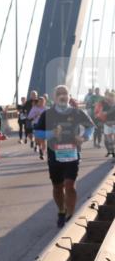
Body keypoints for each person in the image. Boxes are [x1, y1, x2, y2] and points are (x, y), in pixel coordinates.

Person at [33, 85, 96, 228]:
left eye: (65, 93)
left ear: (69, 96)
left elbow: (90, 126)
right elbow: (37, 133)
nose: (62, 96)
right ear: (55, 97)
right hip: (54, 155)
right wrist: (51, 134)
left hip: (72, 154)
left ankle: (70, 217)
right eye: (59, 93)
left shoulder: (76, 112)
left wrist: (84, 137)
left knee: (70, 186)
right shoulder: (47, 114)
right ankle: (61, 210)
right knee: (57, 186)